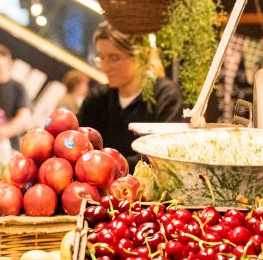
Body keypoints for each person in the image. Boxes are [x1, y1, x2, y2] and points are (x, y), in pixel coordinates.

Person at [78, 21, 185, 164]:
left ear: (141, 56)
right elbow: (77, 143)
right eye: (101, 58)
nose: (105, 68)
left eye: (114, 58)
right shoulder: (97, 99)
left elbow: (164, 154)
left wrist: (108, 168)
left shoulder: (166, 96)